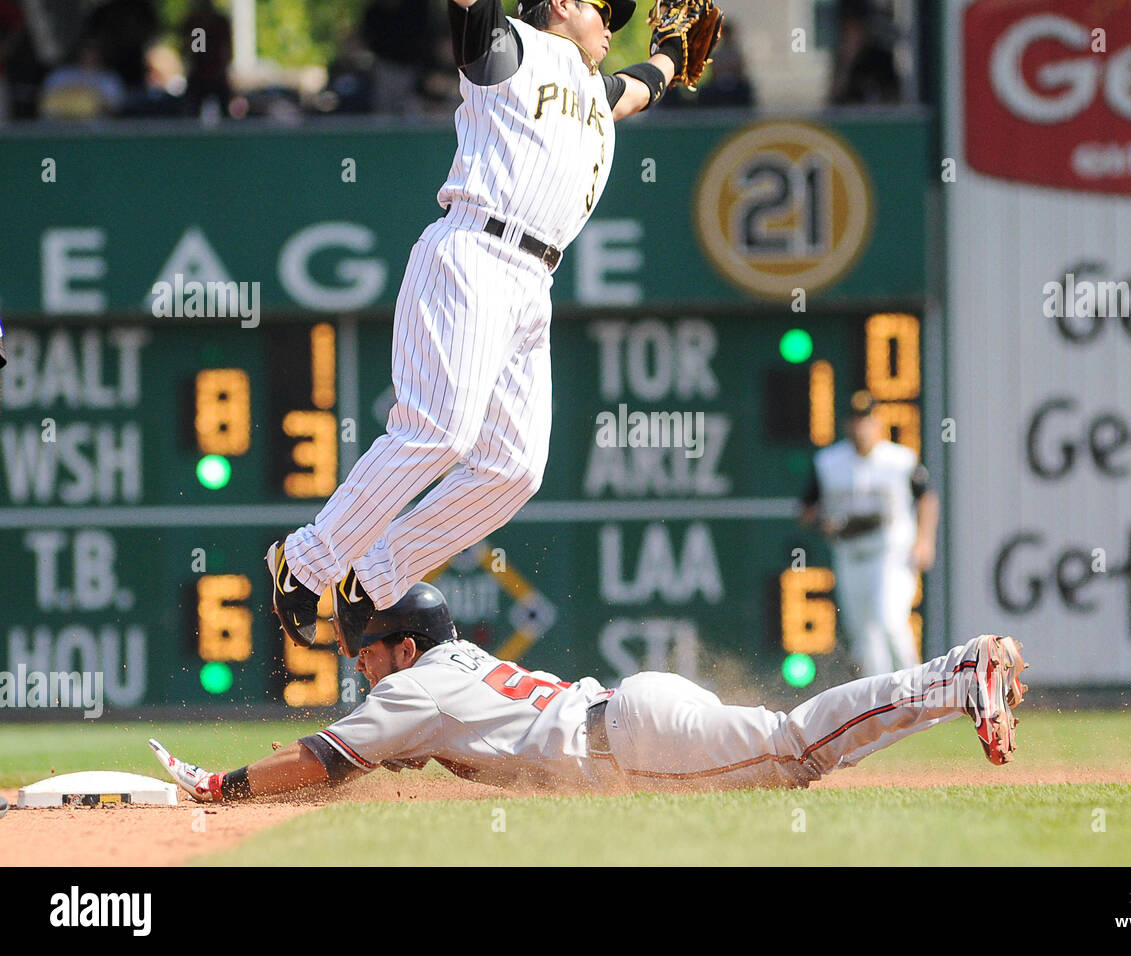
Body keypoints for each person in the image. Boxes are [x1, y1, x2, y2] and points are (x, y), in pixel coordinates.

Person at [267, 0, 691, 657]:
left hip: (533, 281)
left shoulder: (590, 87)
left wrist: (671, 54)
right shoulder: (508, 47)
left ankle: (372, 578)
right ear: (558, 5)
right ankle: (305, 560)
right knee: (439, 429)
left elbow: (634, 92)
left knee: (514, 469)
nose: (614, 21)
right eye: (604, 8)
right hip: (475, 250)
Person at [150, 583, 1027, 802]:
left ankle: (952, 676)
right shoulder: (450, 668)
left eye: (368, 650)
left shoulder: (415, 684)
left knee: (794, 747)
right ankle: (951, 680)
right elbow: (342, 761)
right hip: (630, 720)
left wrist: (224, 785)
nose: (361, 666)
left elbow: (325, 757)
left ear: (404, 645)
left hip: (634, 743)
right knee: (788, 749)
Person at [801, 390, 939, 676]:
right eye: (855, 420)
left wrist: (925, 540)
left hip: (890, 554)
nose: (861, 427)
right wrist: (823, 524)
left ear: (878, 423)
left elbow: (927, 497)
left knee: (889, 622)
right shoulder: (828, 462)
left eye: (866, 420)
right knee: (864, 638)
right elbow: (806, 509)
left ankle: (918, 694)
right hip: (849, 554)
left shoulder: (900, 460)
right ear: (846, 425)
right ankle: (880, 711)